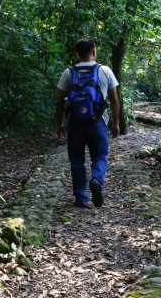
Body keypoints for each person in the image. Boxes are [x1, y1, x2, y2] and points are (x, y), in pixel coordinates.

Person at [56, 38, 120, 208]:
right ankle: (96, 180)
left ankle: (81, 198)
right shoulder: (105, 70)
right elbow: (114, 99)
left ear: (77, 55)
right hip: (97, 122)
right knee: (99, 155)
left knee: (77, 159)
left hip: (75, 123)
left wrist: (59, 123)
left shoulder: (68, 73)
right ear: (94, 52)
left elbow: (60, 101)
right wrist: (116, 123)